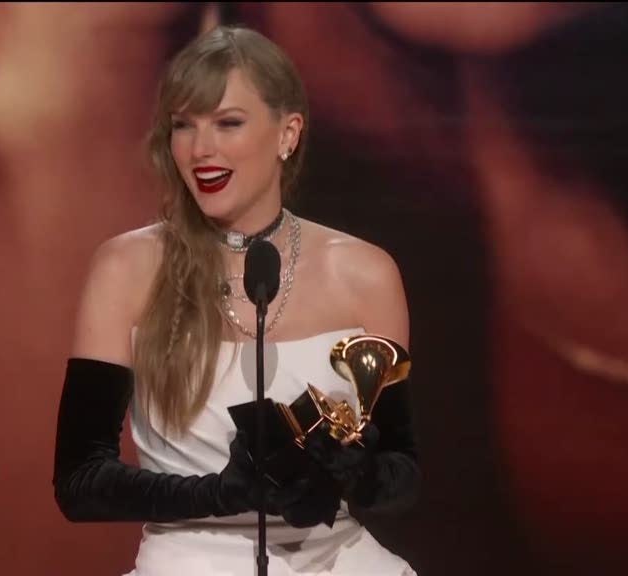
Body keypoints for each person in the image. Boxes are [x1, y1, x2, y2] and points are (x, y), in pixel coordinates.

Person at [51, 25, 419, 575]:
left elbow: (403, 472)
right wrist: (222, 495)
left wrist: (352, 474)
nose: (201, 149)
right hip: (187, 561)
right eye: (183, 126)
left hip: (340, 559)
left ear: (287, 133)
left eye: (228, 123)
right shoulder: (126, 269)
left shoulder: (365, 273)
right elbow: (79, 483)